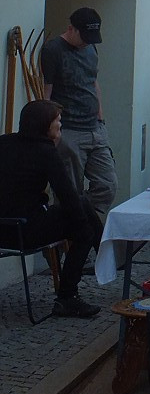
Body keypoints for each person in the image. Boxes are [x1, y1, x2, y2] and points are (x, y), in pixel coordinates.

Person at [0, 100, 102, 318]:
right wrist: (84, 227)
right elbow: (67, 196)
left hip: (3, 229)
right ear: (46, 126)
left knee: (82, 205)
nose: (60, 126)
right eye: (58, 122)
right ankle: (68, 296)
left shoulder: (4, 143)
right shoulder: (45, 152)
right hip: (24, 231)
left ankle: (107, 251)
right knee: (84, 230)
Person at [41, 7, 117, 221]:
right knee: (68, 191)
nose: (86, 42)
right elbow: (46, 90)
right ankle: (71, 240)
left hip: (95, 127)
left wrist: (100, 115)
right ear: (71, 29)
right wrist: (50, 129)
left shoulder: (91, 48)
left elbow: (93, 81)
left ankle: (82, 221)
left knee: (108, 185)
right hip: (69, 129)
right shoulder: (53, 50)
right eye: (83, 36)